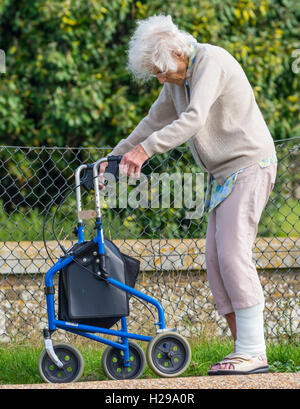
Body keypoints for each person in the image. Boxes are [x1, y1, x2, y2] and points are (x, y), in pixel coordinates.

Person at [99, 14, 277, 375]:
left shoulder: (211, 60)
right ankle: (241, 349)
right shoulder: (176, 81)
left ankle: (254, 351)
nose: (161, 78)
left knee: (232, 253)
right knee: (215, 259)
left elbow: (194, 118)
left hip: (249, 164)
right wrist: (115, 157)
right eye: (156, 74)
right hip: (223, 173)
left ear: (178, 53)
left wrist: (145, 152)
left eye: (162, 70)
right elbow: (152, 122)